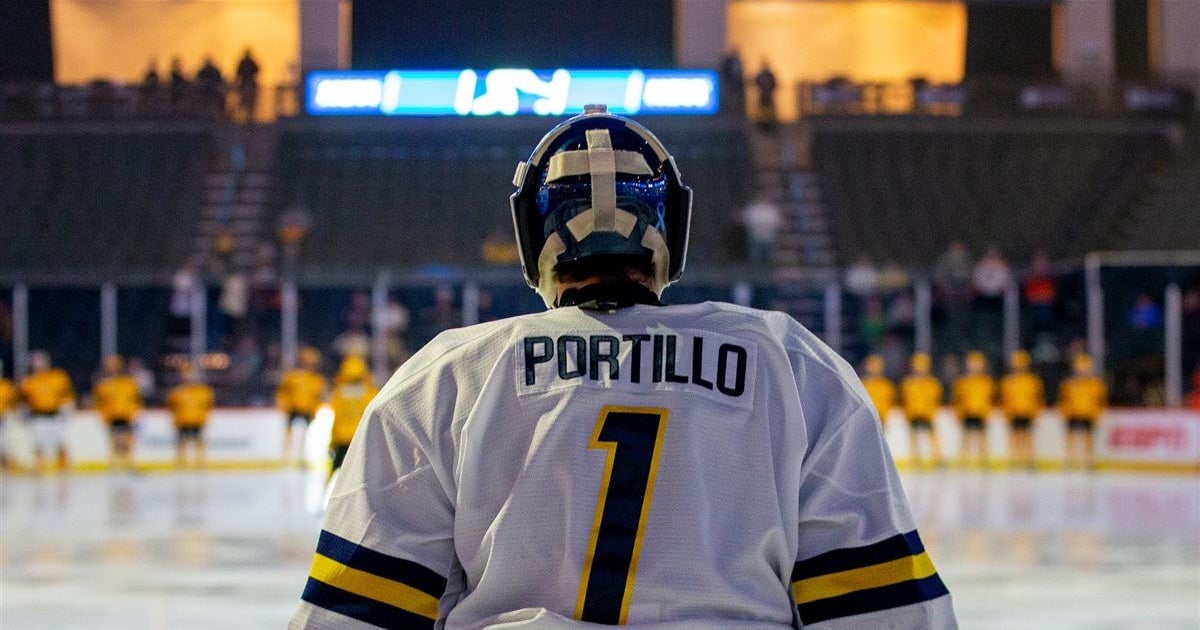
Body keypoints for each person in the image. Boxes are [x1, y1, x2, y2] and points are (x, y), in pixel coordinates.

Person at [291, 108, 955, 629]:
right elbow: (887, 612)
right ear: (672, 234)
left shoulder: (446, 377)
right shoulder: (794, 365)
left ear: (531, 237)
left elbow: (352, 615)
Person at [20, 351, 75, 473]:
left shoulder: (58, 377)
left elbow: (67, 394)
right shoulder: (28, 381)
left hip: (55, 415)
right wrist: (24, 412)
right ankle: (38, 465)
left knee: (61, 441)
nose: (38, 365)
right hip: (38, 416)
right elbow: (24, 400)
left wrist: (68, 407)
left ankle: (64, 465)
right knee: (38, 443)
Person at [326, 355, 377, 481]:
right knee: (363, 476)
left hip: (342, 438)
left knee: (334, 472)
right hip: (361, 438)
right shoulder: (370, 392)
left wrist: (332, 443)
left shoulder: (339, 394)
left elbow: (336, 419)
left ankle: (328, 497)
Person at [277, 347, 327, 464]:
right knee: (289, 433)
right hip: (293, 408)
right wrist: (283, 403)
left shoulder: (316, 379)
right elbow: (283, 391)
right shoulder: (292, 377)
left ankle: (303, 455)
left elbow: (319, 396)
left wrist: (316, 407)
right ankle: (286, 455)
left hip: (307, 409)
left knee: (306, 434)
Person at [92, 355, 143, 471]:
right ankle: (115, 463)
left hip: (126, 415)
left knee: (128, 440)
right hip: (112, 416)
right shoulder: (104, 385)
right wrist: (103, 415)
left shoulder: (129, 383)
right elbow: (99, 402)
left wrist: (134, 412)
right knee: (114, 440)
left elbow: (136, 399)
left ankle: (129, 462)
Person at [1059, 353, 1107, 469]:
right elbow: (1064, 399)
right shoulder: (1068, 384)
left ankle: (1088, 462)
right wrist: (1065, 411)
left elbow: (1100, 401)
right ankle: (1069, 461)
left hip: (1089, 414)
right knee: (1070, 439)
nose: (1082, 372)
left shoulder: (1096, 384)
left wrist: (1098, 413)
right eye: (1080, 369)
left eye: (1085, 369)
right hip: (1072, 414)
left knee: (1088, 440)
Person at [1000, 350, 1044, 468]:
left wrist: (1036, 412)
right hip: (1013, 412)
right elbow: (1005, 399)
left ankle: (1028, 461)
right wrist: (1007, 412)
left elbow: (1037, 398)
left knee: (1027, 437)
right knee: (1015, 437)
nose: (1019, 367)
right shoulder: (1008, 381)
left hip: (1027, 412)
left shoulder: (1032, 381)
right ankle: (1015, 460)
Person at [167, 363, 214, 468]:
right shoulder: (176, 392)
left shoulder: (203, 391)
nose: (189, 377)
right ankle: (181, 463)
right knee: (182, 442)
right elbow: (171, 406)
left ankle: (201, 462)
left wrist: (203, 417)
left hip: (197, 420)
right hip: (182, 420)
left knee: (199, 441)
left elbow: (208, 406)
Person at [952, 352, 994, 468]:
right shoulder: (962, 382)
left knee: (982, 439)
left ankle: (984, 462)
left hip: (980, 413)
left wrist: (986, 411)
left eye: (977, 364)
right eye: (972, 364)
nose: (974, 366)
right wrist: (959, 412)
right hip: (967, 413)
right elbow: (958, 399)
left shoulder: (986, 382)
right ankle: (962, 462)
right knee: (965, 439)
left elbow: (990, 399)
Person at [902, 352, 944, 467]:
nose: (920, 370)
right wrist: (908, 413)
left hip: (927, 413)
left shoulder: (932, 383)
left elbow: (936, 399)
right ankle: (916, 459)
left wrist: (932, 411)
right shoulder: (909, 383)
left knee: (932, 436)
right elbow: (905, 399)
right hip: (914, 413)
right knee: (914, 437)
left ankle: (937, 458)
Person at [861, 354, 897, 425]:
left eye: (876, 366)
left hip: (884, 421)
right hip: (866, 420)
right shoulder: (861, 385)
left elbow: (893, 404)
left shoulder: (887, 386)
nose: (874, 369)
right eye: (871, 366)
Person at [234, 48, 260, 123]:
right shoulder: (245, 62)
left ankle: (248, 119)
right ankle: (244, 118)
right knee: (244, 102)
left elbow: (257, 70)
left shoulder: (249, 62)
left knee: (249, 103)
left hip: (248, 84)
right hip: (245, 84)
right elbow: (238, 72)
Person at [0, 361, 17, 471]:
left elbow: (14, 403)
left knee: (5, 444)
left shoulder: (7, 386)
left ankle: (7, 468)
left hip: (3, 420)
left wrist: (10, 413)